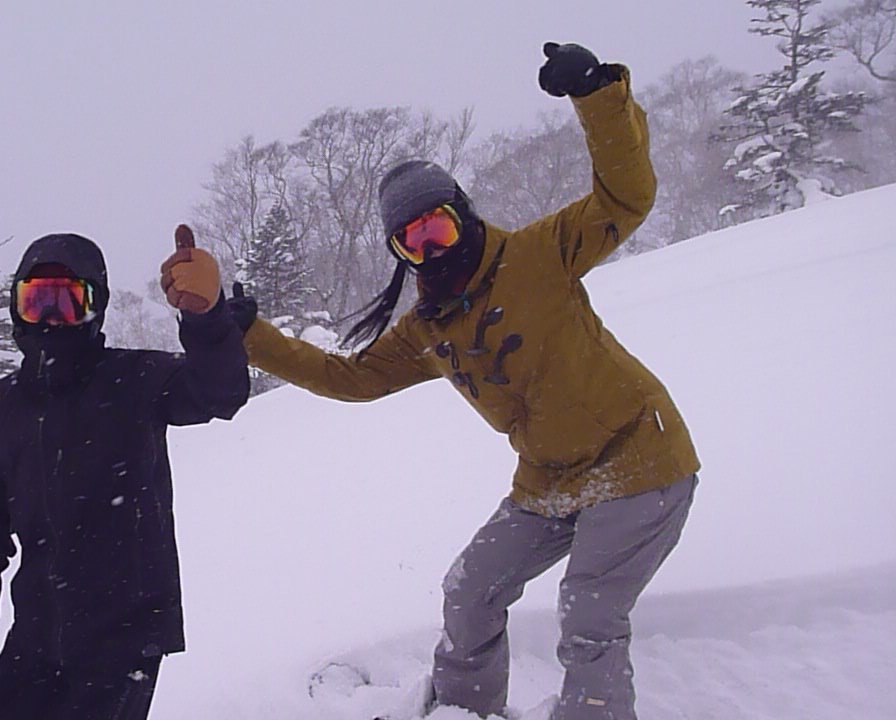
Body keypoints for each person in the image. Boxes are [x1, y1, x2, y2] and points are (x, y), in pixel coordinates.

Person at [227, 44, 700, 720]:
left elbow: (627, 196)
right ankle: (462, 710)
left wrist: (597, 98)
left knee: (590, 611)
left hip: (640, 459)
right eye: (413, 242)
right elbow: (351, 378)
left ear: (465, 213)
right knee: (469, 589)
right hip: (550, 481)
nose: (434, 249)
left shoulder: (541, 254)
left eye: (440, 227)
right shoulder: (432, 326)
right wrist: (251, 335)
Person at [0, 227, 249, 720]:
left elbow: (220, 390)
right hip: (37, 633)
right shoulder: (2, 408)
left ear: (95, 308)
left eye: (69, 303)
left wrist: (207, 316)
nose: (52, 320)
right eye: (38, 302)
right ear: (16, 307)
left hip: (125, 634)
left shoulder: (132, 380)